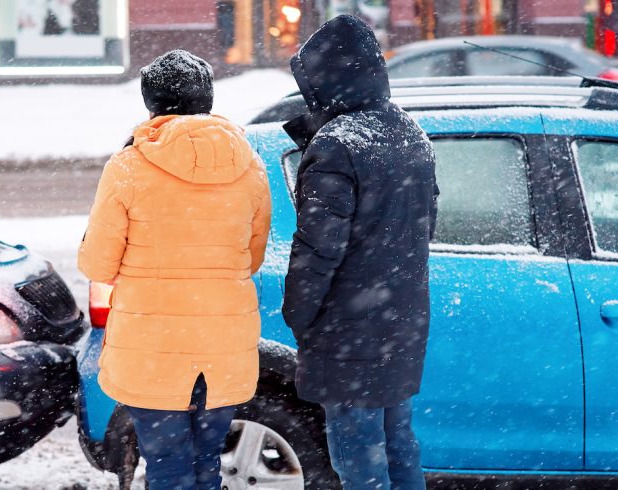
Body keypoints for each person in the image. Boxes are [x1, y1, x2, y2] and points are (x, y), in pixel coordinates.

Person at [78, 50, 271, 490]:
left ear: (151, 103)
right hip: (223, 346)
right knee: (208, 461)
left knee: (166, 465)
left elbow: (99, 265)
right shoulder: (249, 164)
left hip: (152, 346)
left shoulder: (128, 166)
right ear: (207, 99)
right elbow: (252, 256)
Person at [281, 15, 438, 490]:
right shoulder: (411, 133)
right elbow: (424, 224)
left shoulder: (337, 145)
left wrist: (299, 314)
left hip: (348, 329)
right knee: (398, 446)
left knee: (357, 461)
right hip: (401, 322)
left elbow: (317, 248)